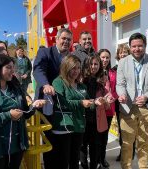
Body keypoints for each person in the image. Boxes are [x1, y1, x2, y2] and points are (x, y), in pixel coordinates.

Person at [0, 54, 46, 169]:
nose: (13, 71)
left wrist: (34, 107)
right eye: (8, 67)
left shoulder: (16, 89)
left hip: (16, 147)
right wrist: (7, 115)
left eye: (13, 67)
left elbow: (24, 113)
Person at [116, 32, 148, 169]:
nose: (137, 49)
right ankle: (126, 166)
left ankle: (143, 167)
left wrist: (146, 96)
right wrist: (122, 94)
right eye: (134, 46)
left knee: (144, 142)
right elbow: (120, 84)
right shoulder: (123, 62)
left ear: (145, 46)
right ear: (130, 47)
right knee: (127, 142)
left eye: (140, 46)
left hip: (146, 107)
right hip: (127, 107)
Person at [32, 28, 73, 169]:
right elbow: (38, 69)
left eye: (69, 39)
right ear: (56, 39)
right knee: (49, 141)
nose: (66, 41)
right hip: (47, 104)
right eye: (63, 38)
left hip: (65, 105)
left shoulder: (71, 57)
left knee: (65, 143)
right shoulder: (45, 52)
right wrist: (45, 84)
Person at [50, 54, 93, 169]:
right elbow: (61, 103)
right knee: (63, 161)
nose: (76, 71)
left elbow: (88, 103)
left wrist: (98, 102)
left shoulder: (81, 85)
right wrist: (81, 103)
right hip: (64, 126)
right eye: (73, 68)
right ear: (66, 67)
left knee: (75, 159)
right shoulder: (58, 82)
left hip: (78, 126)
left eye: (79, 68)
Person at [80, 55, 109, 169]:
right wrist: (93, 102)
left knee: (95, 145)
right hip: (83, 118)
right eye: (91, 64)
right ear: (87, 65)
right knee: (82, 145)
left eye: (96, 64)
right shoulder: (81, 80)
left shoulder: (102, 80)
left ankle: (93, 166)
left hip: (96, 119)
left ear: (99, 66)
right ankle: (84, 166)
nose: (93, 66)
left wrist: (106, 101)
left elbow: (106, 100)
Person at [98, 49, 117, 168]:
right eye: (103, 57)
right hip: (98, 108)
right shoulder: (94, 71)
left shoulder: (113, 72)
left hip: (109, 108)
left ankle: (102, 158)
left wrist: (113, 97)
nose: (105, 60)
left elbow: (116, 88)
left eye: (107, 58)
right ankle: (96, 158)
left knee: (104, 136)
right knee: (96, 136)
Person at [114, 44, 133, 161]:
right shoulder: (114, 69)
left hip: (130, 102)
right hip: (118, 102)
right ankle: (123, 152)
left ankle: (129, 154)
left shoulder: (133, 67)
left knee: (131, 129)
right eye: (121, 52)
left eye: (125, 52)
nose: (123, 54)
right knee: (122, 129)